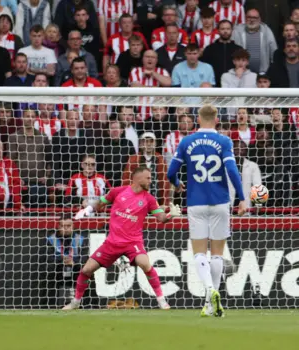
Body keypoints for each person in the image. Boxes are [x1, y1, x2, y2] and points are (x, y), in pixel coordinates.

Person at [167, 104, 247, 317]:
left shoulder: (186, 141)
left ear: (198, 119)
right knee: (218, 253)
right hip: (220, 202)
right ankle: (212, 299)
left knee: (199, 252)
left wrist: (177, 183)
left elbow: (170, 172)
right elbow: (231, 170)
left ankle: (210, 293)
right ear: (217, 119)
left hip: (196, 202)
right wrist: (242, 198)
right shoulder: (224, 141)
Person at [63, 166, 181, 310]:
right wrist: (88, 209)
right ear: (138, 178)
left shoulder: (149, 199)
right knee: (86, 270)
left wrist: (170, 215)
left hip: (133, 242)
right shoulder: (117, 192)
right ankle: (75, 302)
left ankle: (162, 301)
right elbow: (100, 203)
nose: (151, 181)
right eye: (148, 178)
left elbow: (161, 218)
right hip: (112, 242)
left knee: (145, 264)